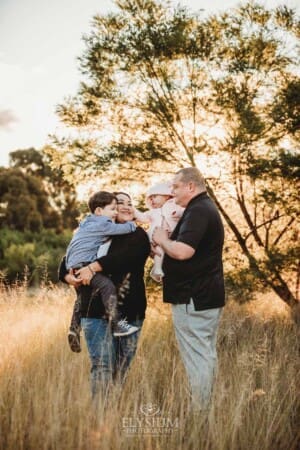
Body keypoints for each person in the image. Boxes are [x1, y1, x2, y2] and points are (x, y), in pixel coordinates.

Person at [59, 192, 150, 400]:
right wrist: (66, 275)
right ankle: (100, 419)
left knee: (121, 367)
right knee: (101, 365)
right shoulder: (98, 230)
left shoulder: (137, 234)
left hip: (130, 309)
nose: (126, 207)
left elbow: (125, 258)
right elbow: (69, 256)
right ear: (111, 209)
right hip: (93, 311)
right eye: (120, 203)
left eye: (130, 203)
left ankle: (114, 414)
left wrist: (93, 267)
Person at [153, 167, 225, 413]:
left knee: (197, 357)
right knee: (204, 354)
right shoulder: (202, 208)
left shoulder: (198, 211)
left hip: (193, 297)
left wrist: (162, 239)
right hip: (203, 295)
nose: (171, 193)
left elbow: (183, 252)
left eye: (175, 187)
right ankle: (208, 407)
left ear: (190, 187)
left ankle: (201, 413)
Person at [65, 190, 139, 346]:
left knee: (81, 296)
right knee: (107, 286)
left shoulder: (87, 223)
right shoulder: (103, 224)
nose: (115, 212)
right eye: (113, 209)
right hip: (83, 264)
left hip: (74, 265)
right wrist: (135, 222)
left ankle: (74, 328)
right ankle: (117, 323)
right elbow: (122, 229)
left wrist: (68, 271)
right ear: (99, 211)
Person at [134, 182, 184, 282]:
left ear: (166, 196)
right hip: (155, 236)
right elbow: (143, 218)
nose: (152, 200)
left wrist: (178, 213)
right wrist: (133, 210)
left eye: (154, 196)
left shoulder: (174, 204)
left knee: (165, 251)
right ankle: (157, 268)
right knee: (158, 250)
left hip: (171, 236)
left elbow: (184, 210)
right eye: (150, 199)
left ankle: (157, 269)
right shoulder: (153, 212)